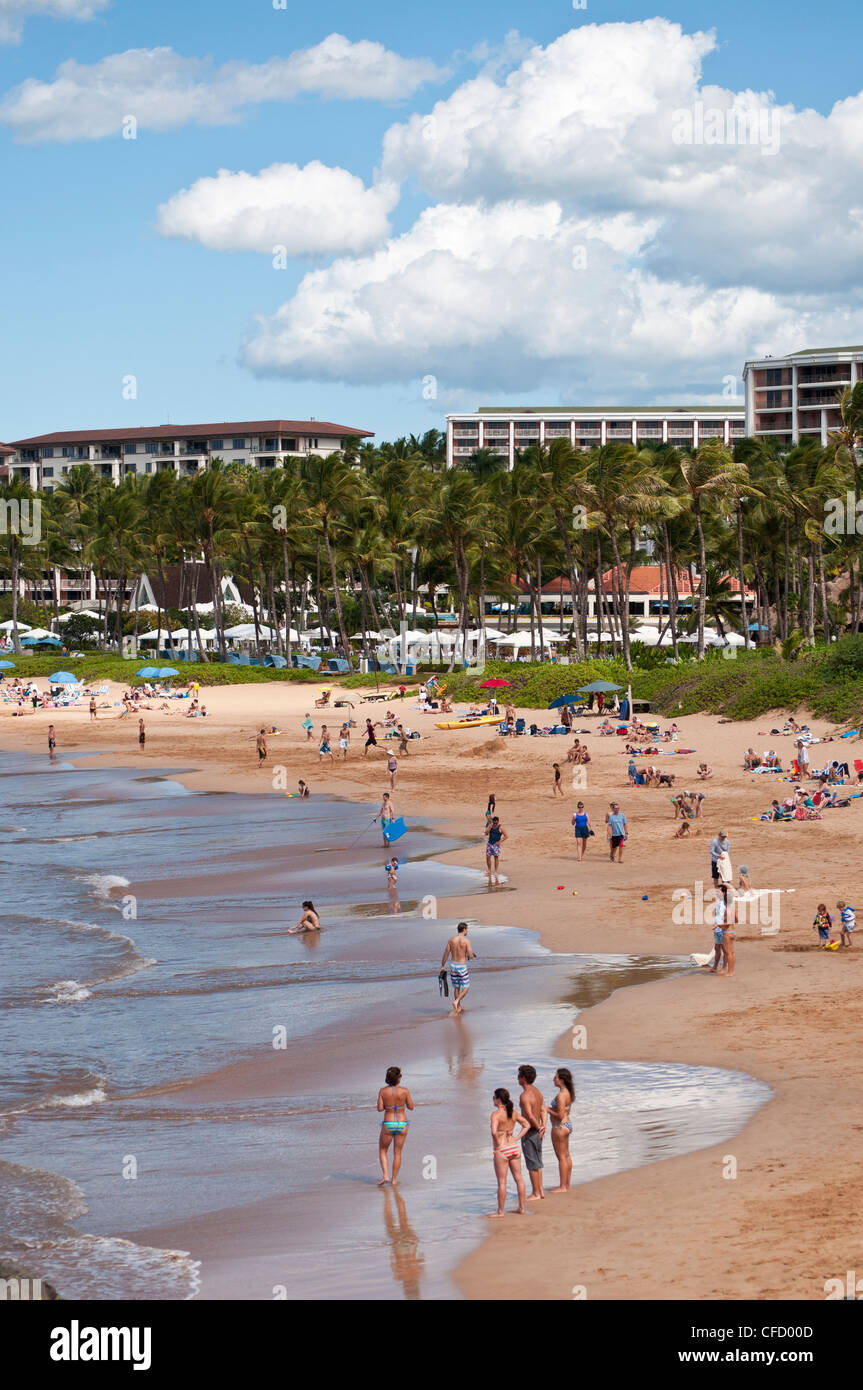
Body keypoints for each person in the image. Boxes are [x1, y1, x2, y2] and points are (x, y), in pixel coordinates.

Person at [489, 1088, 528, 1216]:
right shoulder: (514, 1113)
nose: (493, 1099)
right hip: (514, 1147)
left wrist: (498, 1145)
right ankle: (521, 1208)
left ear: (498, 1099)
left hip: (503, 1150)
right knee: (519, 1179)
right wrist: (517, 1137)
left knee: (502, 1182)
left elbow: (494, 1132)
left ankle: (500, 1211)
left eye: (494, 1097)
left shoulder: (496, 1114)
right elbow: (526, 1125)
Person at [377, 1066, 414, 1186]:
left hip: (388, 1123)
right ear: (399, 1078)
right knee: (397, 1152)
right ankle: (394, 1179)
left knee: (383, 1150)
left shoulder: (382, 1091)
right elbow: (411, 1107)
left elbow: (380, 1109)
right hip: (402, 1123)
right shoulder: (405, 1090)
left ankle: (385, 1176)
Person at [516, 1065, 545, 1201]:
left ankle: (536, 1193)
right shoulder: (537, 1091)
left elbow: (530, 1115)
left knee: (532, 1163)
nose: (517, 1077)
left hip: (531, 1131)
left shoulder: (524, 1096)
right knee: (538, 1162)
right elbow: (543, 1109)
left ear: (523, 1078)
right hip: (538, 1130)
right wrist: (543, 1126)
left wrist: (539, 1127)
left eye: (519, 1075)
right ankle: (540, 1191)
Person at [547, 1068, 575, 1192]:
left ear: (562, 1080)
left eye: (556, 1077)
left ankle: (563, 1186)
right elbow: (564, 1111)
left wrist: (546, 1109)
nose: (554, 1079)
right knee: (567, 1155)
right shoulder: (568, 1092)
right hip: (567, 1125)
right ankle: (567, 1184)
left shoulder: (561, 1095)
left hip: (559, 1127)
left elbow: (559, 1115)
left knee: (561, 1157)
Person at [441, 921, 475, 1015]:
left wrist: (442, 966)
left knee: (456, 987)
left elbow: (446, 953)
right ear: (464, 929)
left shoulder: (451, 940)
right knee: (466, 987)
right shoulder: (466, 941)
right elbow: (470, 955)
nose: (467, 931)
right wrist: (471, 956)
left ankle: (458, 1008)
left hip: (453, 965)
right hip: (461, 966)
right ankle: (456, 1002)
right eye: (467, 929)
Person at [485, 815, 507, 885]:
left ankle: (495, 871)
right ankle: (489, 870)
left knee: (496, 858)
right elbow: (486, 833)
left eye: (496, 823)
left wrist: (499, 841)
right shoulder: (491, 826)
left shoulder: (501, 827)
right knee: (488, 857)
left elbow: (506, 836)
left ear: (498, 822)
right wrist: (489, 827)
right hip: (489, 844)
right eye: (494, 823)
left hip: (496, 845)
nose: (495, 824)